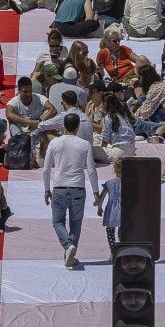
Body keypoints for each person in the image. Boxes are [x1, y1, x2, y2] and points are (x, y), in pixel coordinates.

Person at [41, 113, 97, 268]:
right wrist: (96, 192)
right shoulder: (85, 144)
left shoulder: (54, 143)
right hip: (78, 188)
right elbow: (91, 170)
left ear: (63, 126)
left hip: (59, 187)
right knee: (76, 224)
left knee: (58, 221)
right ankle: (69, 253)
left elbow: (46, 170)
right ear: (78, 126)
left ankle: (67, 247)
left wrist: (46, 189)